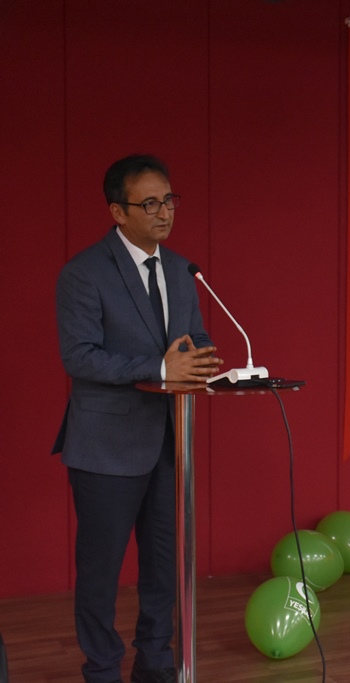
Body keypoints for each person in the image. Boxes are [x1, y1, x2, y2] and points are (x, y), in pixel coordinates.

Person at [52, 154, 223, 683]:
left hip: (171, 442)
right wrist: (159, 367)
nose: (164, 212)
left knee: (163, 567)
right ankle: (102, 670)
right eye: (149, 204)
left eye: (169, 200)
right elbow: (79, 356)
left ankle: (156, 662)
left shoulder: (181, 270)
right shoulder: (84, 272)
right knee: (100, 572)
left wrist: (206, 362)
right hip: (105, 446)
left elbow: (195, 338)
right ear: (117, 212)